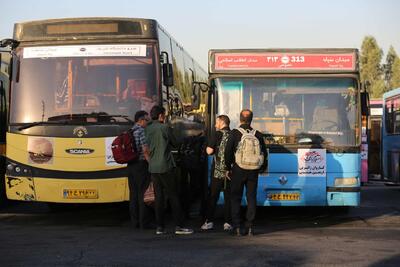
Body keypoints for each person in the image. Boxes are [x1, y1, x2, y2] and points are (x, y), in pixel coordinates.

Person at [145, 105, 194, 235]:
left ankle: (160, 227)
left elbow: (147, 146)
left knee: (159, 198)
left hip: (153, 167)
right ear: (161, 115)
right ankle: (179, 226)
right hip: (165, 166)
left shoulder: (148, 128)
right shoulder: (165, 127)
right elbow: (175, 143)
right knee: (173, 196)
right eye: (164, 114)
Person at [224, 109, 267, 236]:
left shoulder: (234, 133)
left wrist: (228, 168)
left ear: (240, 119)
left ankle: (237, 226)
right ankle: (250, 227)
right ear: (251, 119)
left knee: (236, 197)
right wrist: (260, 168)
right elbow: (264, 154)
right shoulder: (258, 134)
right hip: (253, 171)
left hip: (238, 169)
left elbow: (228, 152)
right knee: (251, 197)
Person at [201, 115, 232, 231]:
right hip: (230, 171)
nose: (215, 125)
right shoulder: (233, 134)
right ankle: (228, 222)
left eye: (216, 122)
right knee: (229, 196)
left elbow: (209, 151)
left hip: (217, 171)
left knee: (213, 196)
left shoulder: (216, 134)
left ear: (221, 122)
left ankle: (209, 222)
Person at [127, 110, 152, 229]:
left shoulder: (130, 130)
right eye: (147, 120)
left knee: (133, 195)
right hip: (141, 165)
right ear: (141, 120)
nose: (148, 122)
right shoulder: (141, 131)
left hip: (130, 166)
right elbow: (145, 150)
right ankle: (144, 222)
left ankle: (134, 222)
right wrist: (151, 164)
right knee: (143, 193)